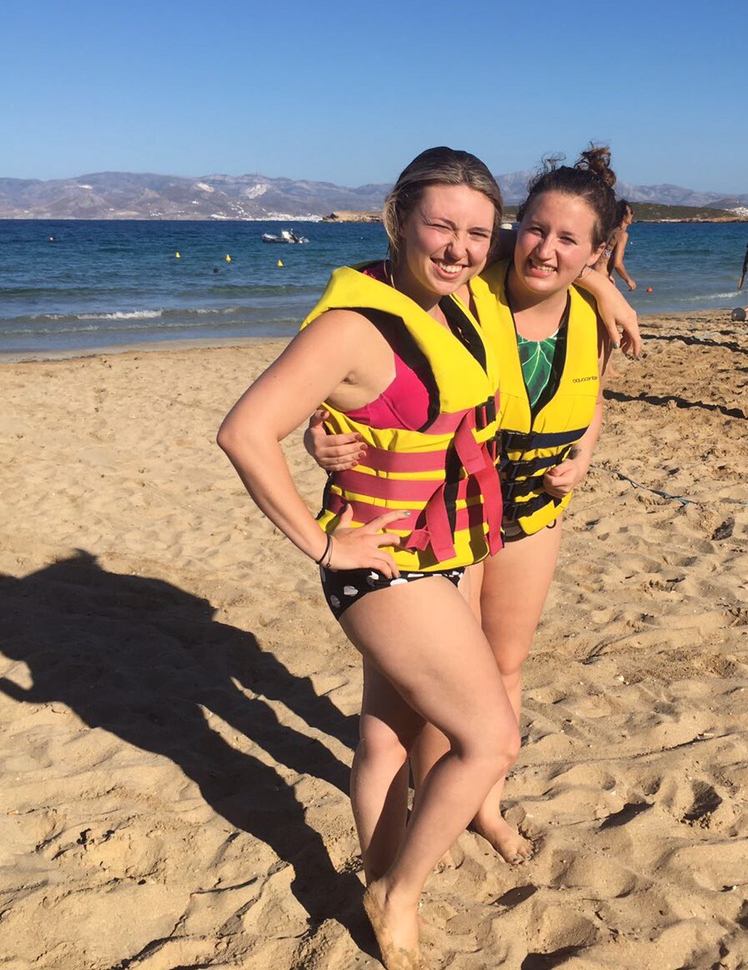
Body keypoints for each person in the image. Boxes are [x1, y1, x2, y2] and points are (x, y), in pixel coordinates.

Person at [218, 147, 520, 970]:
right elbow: (244, 433)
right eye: (442, 227)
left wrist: (602, 282)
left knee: (387, 740)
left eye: (478, 234)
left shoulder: (455, 304)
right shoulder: (350, 326)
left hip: (443, 549)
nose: (460, 248)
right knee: (491, 739)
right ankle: (397, 894)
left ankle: (381, 876)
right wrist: (324, 543)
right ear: (398, 220)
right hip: (383, 566)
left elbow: (542, 263)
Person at [307, 146, 624, 865]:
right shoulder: (469, 291)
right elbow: (371, 371)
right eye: (534, 229)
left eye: (569, 240)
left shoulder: (590, 317)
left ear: (596, 252)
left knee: (505, 665)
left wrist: (585, 453)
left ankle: (483, 808)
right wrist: (318, 434)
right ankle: (432, 795)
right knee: (446, 677)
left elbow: (592, 398)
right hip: (453, 511)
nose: (545, 249)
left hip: (533, 512)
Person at [605, 200, 637, 291]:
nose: (632, 215)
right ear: (624, 216)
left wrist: (608, 275)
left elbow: (604, 255)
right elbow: (617, 264)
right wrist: (629, 280)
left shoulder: (607, 231)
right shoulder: (622, 235)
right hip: (601, 277)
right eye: (631, 212)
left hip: (593, 274)